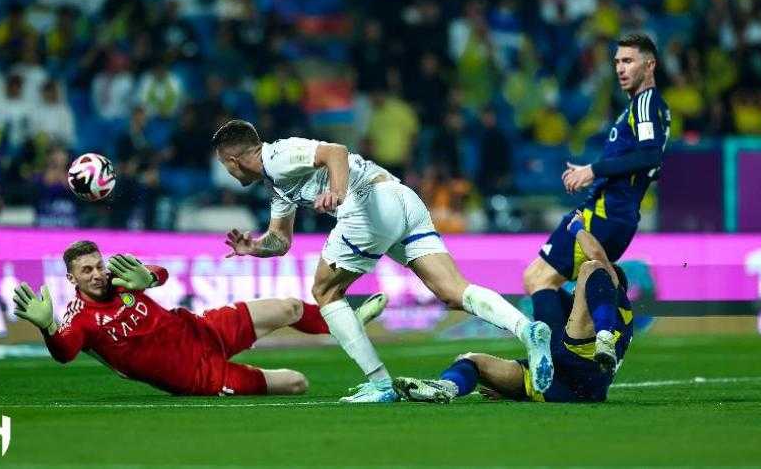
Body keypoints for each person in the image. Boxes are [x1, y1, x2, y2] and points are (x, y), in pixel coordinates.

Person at [213, 120, 553, 403]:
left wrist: (338, 192)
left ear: (232, 159)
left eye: (223, 165)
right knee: (452, 291)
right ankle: (527, 330)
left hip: (367, 204)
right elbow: (281, 240)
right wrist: (253, 247)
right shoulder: (277, 184)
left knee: (325, 291)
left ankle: (380, 384)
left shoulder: (277, 156)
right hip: (402, 200)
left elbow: (335, 152)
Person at [13, 240, 385, 396]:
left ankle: (346, 322)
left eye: (98, 265)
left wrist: (148, 278)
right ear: (71, 278)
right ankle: (344, 329)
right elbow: (64, 351)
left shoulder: (119, 278)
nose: (97, 274)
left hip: (203, 329)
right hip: (199, 376)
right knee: (297, 382)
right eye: (87, 270)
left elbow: (160, 273)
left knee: (290, 307)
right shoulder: (79, 318)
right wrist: (47, 326)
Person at [393, 210, 633, 403]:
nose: (575, 290)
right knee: (472, 360)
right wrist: (511, 391)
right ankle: (445, 387)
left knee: (591, 267)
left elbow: (597, 258)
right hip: (556, 383)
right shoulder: (616, 319)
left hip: (581, 362)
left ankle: (603, 337)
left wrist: (577, 228)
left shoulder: (613, 295)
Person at [523, 34, 669, 341]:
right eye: (617, 62)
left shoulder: (645, 104)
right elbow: (648, 165)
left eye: (628, 61)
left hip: (605, 214)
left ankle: (561, 354)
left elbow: (650, 156)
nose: (620, 68)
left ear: (650, 65)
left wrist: (593, 170)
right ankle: (590, 337)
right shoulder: (647, 108)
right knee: (544, 281)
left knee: (539, 279)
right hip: (613, 213)